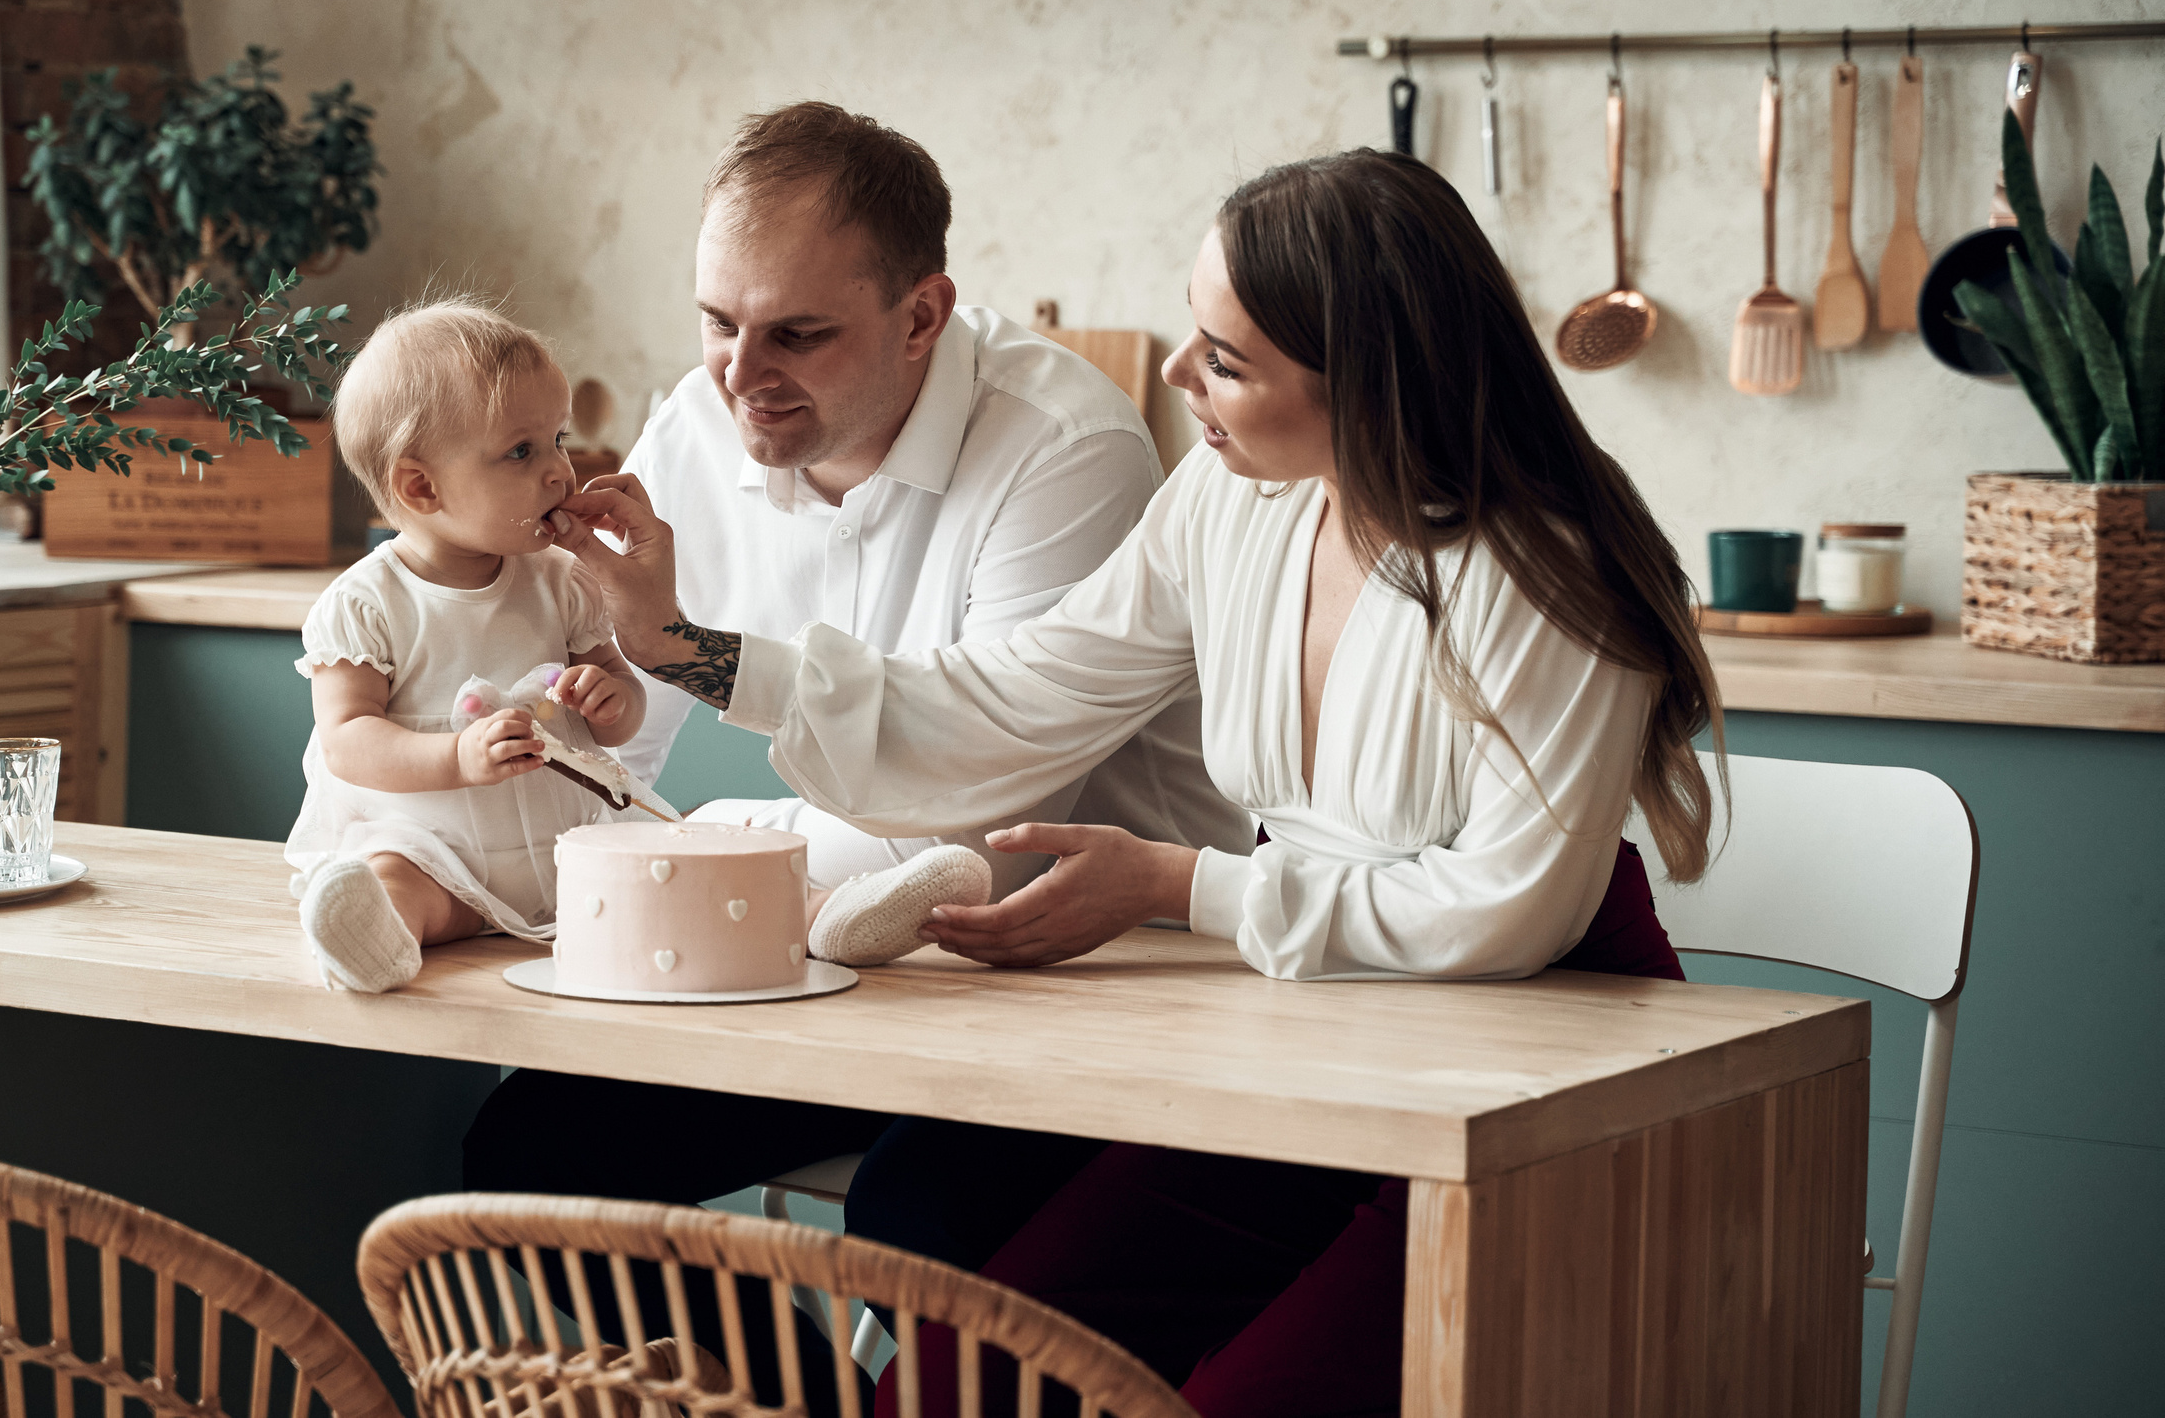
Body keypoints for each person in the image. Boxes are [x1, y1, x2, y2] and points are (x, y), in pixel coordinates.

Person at [550, 149, 1720, 1417]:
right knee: (955, 1389)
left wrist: (1180, 887)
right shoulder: (1229, 498)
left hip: (1531, 1082)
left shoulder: (1548, 572)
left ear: (1365, 383)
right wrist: (686, 649)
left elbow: (1508, 913)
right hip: (1314, 1039)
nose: (1173, 375)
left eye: (1225, 361)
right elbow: (1014, 699)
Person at [459, 104, 1248, 1411]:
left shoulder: (1065, 448)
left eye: (797, 333)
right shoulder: (698, 428)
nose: (740, 373)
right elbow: (610, 751)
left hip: (1081, 987)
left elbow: (981, 829)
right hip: (820, 971)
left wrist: (696, 829)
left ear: (922, 314)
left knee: (915, 1216)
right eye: (718, 321)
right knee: (529, 1153)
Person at [280, 300, 649, 993]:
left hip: (565, 852)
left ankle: (815, 916)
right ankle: (375, 938)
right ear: (421, 487)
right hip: (435, 854)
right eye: (522, 451)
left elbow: (622, 710)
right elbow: (347, 741)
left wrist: (613, 699)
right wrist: (457, 757)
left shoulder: (561, 580)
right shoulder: (368, 603)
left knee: (665, 871)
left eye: (559, 439)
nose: (560, 472)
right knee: (394, 878)